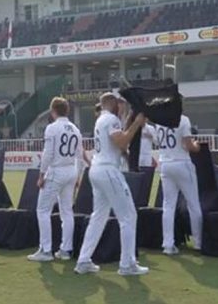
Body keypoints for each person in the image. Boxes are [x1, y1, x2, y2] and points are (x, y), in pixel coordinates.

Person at [74, 93, 148, 276]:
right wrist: (136, 124)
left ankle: (84, 260)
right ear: (113, 104)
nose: (122, 107)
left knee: (98, 216)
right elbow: (122, 142)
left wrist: (130, 126)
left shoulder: (102, 119)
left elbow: (119, 145)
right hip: (108, 171)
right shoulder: (112, 119)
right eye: (120, 103)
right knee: (128, 216)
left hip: (97, 170)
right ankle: (127, 264)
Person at [28, 97, 88, 262]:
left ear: (53, 110)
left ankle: (45, 250)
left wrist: (41, 174)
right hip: (71, 170)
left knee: (42, 210)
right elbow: (80, 156)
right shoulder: (75, 129)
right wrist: (79, 175)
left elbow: (48, 154)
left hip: (56, 170)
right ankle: (65, 249)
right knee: (67, 211)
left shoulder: (52, 128)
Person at [155, 113, 203, 255]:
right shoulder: (183, 119)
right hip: (181, 162)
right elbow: (188, 146)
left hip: (165, 163)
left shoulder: (159, 120)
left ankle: (168, 244)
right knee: (193, 203)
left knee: (168, 205)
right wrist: (197, 146)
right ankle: (198, 242)